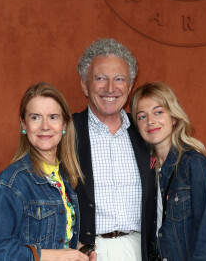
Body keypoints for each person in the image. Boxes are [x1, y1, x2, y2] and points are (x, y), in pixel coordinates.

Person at [0, 82, 96, 261]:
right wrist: (54, 256)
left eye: (53, 117)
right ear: (24, 124)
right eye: (35, 117)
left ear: (64, 125)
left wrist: (77, 249)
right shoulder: (12, 181)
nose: (45, 126)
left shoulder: (63, 178)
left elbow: (51, 235)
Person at [73, 39, 156, 261]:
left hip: (141, 250)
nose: (110, 88)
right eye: (100, 78)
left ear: (129, 86)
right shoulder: (65, 131)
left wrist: (197, 182)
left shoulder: (147, 131)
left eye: (119, 79)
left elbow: (172, 175)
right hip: (87, 253)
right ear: (84, 84)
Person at [130, 82, 206, 261]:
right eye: (142, 116)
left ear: (173, 117)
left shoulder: (195, 164)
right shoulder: (145, 171)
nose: (150, 121)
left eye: (158, 112)